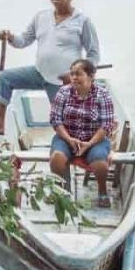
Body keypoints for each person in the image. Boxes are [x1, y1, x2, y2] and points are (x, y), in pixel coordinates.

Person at [0, 0, 100, 135]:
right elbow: (24, 40)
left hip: (63, 81)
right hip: (39, 73)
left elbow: (94, 54)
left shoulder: (82, 21)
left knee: (65, 126)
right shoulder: (41, 16)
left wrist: (80, 76)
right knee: (5, 78)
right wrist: (10, 37)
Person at [48, 59, 116, 208]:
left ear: (91, 76)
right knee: (56, 158)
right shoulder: (64, 92)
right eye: (72, 74)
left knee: (100, 163)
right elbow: (55, 119)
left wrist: (88, 144)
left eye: (78, 74)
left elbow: (107, 125)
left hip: (94, 140)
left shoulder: (102, 94)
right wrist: (69, 139)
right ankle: (62, 191)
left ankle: (102, 191)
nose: (74, 78)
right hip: (66, 137)